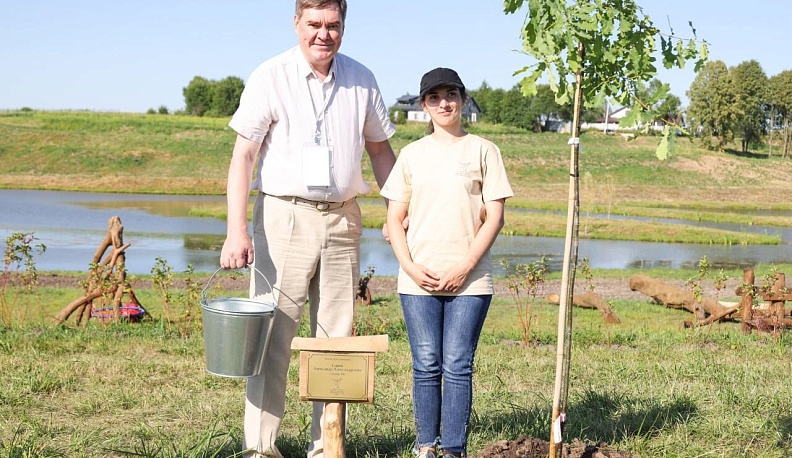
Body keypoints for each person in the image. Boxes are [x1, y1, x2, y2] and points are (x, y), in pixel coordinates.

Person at [218, 0, 397, 456]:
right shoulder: (270, 76)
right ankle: (261, 447)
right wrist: (236, 230)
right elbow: (243, 157)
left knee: (337, 338)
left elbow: (380, 152)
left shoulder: (362, 79)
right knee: (274, 334)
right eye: (314, 24)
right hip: (284, 216)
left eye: (333, 25)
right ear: (296, 22)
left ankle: (327, 446)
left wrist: (399, 213)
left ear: (344, 25)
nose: (323, 34)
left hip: (343, 216)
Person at [380, 67, 513, 458]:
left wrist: (466, 265)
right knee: (425, 363)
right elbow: (393, 218)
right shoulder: (411, 155)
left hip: (470, 281)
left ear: (463, 99)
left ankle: (453, 449)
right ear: (424, 105)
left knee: (456, 364)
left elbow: (496, 216)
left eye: (451, 95)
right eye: (434, 97)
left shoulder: (483, 150)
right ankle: (426, 446)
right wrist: (408, 265)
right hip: (417, 278)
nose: (444, 103)